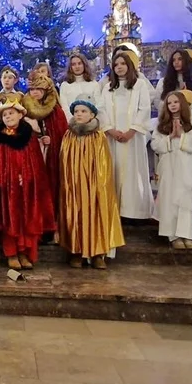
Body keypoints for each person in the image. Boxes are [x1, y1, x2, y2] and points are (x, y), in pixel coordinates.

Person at [0, 93, 54, 270]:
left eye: (11, 113)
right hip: (8, 187)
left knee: (27, 218)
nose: (8, 117)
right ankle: (11, 253)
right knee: (11, 219)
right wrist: (6, 180)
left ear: (20, 115)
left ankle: (25, 253)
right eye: (5, 115)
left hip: (27, 185)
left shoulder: (29, 137)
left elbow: (36, 161)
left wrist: (27, 177)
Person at [58, 94, 124, 269]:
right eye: (76, 111)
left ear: (92, 114)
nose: (79, 114)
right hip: (74, 184)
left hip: (94, 183)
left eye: (83, 111)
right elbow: (64, 160)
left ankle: (97, 253)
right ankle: (76, 251)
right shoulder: (69, 135)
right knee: (75, 212)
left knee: (96, 212)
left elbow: (104, 163)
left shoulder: (98, 136)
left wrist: (98, 182)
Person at [101, 50, 154, 219]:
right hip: (113, 137)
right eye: (116, 64)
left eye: (123, 64)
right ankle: (116, 210)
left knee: (133, 171)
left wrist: (132, 131)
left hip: (133, 137)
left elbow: (144, 108)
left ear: (129, 66)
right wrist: (110, 130)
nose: (119, 67)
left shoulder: (139, 85)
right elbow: (101, 109)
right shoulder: (108, 88)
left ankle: (134, 212)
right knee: (114, 170)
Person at [151, 90, 192, 249]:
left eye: (175, 102)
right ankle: (173, 236)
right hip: (169, 165)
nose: (173, 105)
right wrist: (170, 137)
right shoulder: (162, 123)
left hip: (188, 165)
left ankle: (187, 235)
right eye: (169, 103)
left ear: (182, 103)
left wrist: (182, 135)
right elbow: (156, 144)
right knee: (170, 198)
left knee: (186, 198)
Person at [23, 72, 68, 209]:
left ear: (45, 90)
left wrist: (52, 139)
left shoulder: (55, 110)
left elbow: (62, 132)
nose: (35, 92)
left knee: (50, 184)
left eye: (39, 89)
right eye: (32, 89)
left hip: (50, 156)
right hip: (31, 154)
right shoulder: (24, 108)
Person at [152, 48, 192, 114]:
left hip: (190, 117)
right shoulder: (163, 82)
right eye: (174, 60)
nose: (176, 62)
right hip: (169, 117)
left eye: (180, 59)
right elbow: (157, 103)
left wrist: (187, 99)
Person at [59, 53, 100, 124]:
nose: (77, 66)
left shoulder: (94, 84)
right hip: (72, 124)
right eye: (73, 64)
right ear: (70, 67)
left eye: (79, 63)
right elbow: (64, 107)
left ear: (84, 65)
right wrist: (73, 121)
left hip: (91, 123)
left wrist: (90, 119)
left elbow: (98, 104)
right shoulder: (65, 85)